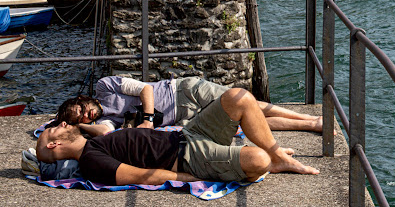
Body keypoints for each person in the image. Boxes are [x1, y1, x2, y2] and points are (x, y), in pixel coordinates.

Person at [37, 86, 319, 185]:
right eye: (55, 128)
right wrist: (193, 179)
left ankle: (277, 154)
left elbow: (95, 128)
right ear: (54, 143)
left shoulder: (95, 140)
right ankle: (273, 159)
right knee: (257, 160)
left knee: (239, 97)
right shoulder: (91, 160)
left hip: (188, 134)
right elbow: (140, 176)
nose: (59, 124)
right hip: (189, 158)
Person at [53, 76, 323, 137]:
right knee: (242, 120)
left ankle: (308, 118)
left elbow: (145, 88)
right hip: (184, 118)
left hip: (183, 90)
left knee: (249, 103)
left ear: (83, 100)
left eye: (83, 109)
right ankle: (310, 126)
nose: (88, 114)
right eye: (83, 119)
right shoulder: (104, 121)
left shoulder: (103, 86)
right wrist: (81, 128)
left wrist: (147, 118)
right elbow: (104, 134)